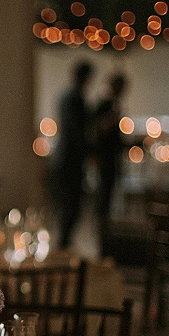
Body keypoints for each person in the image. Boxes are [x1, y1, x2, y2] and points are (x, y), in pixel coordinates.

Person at [50, 60, 94, 249]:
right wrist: (90, 153)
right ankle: (63, 246)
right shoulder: (75, 97)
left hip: (65, 156)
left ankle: (64, 244)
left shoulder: (67, 96)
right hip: (71, 159)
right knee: (71, 206)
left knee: (68, 205)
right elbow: (77, 131)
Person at [92, 72, 128, 244]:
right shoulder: (105, 105)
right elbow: (98, 130)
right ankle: (102, 236)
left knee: (107, 196)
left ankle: (104, 235)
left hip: (110, 158)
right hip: (105, 159)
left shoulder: (111, 104)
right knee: (103, 197)